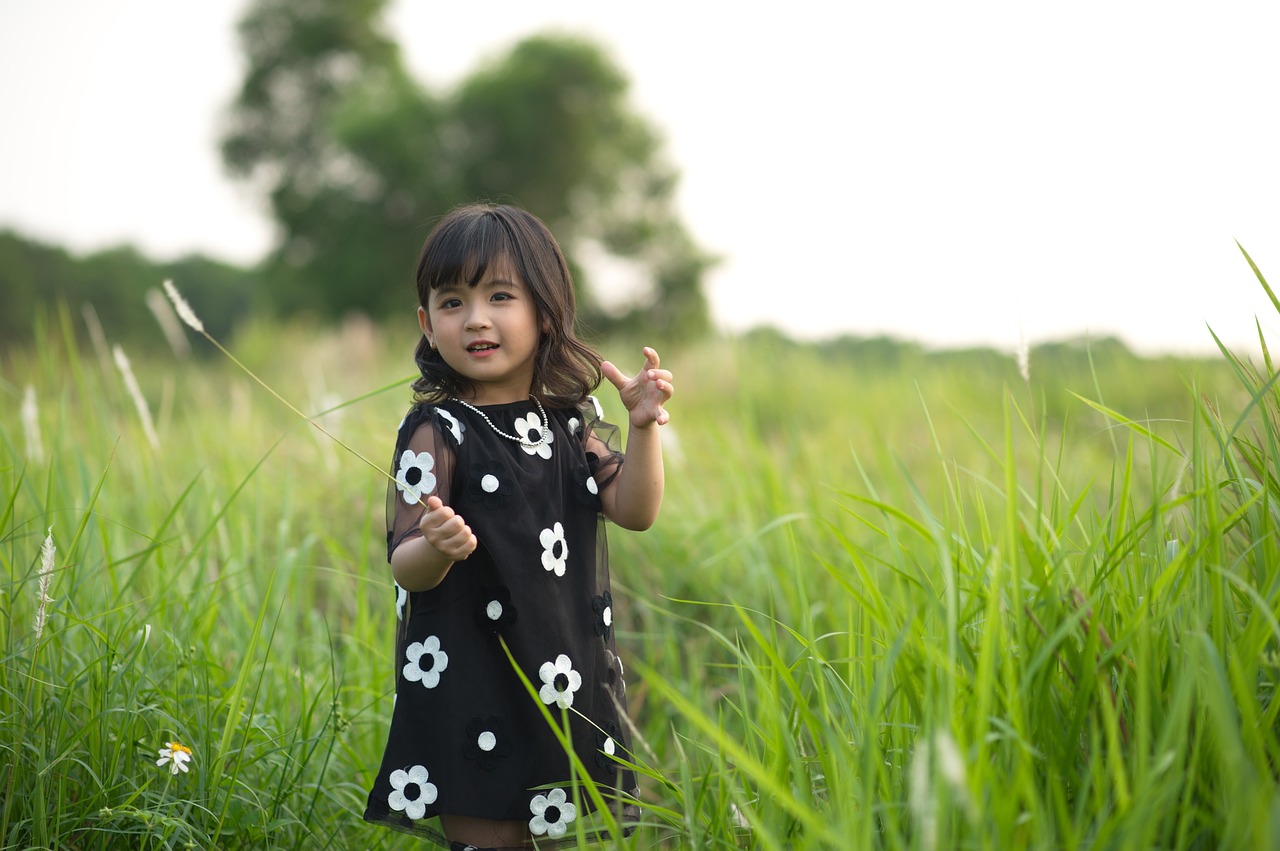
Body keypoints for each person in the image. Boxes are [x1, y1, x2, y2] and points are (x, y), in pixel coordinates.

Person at [363, 203, 673, 850]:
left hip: (557, 679)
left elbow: (635, 510)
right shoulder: (436, 432)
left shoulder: (568, 423)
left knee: (549, 839)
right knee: (486, 838)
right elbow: (404, 560)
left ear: (546, 311)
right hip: (468, 682)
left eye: (499, 295)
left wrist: (643, 431)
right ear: (427, 323)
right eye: (452, 301)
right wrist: (437, 548)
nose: (475, 317)